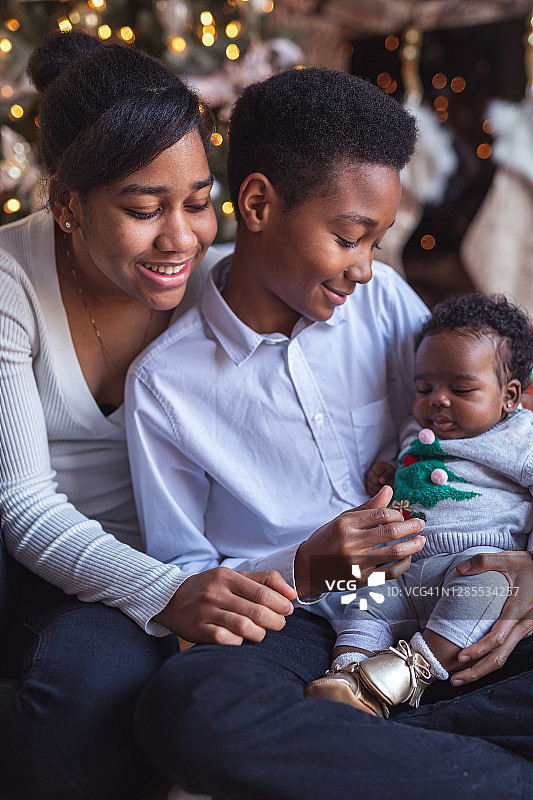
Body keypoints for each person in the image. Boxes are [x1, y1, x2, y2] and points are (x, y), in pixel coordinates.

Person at [127, 68, 533, 799]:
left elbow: (493, 422)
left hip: (448, 587)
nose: (368, 269)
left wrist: (526, 570)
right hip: (304, 621)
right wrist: (305, 565)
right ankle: (461, 765)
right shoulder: (166, 385)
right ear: (257, 203)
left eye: (376, 243)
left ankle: (368, 737)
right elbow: (187, 579)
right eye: (350, 238)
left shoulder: (378, 309)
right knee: (189, 707)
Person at [0, 31, 298, 800]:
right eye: (142, 209)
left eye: (199, 202)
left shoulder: (219, 281)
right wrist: (166, 593)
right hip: (53, 568)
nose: (182, 238)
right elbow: (25, 504)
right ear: (67, 204)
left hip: (201, 561)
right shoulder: (10, 284)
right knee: (88, 687)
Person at [306, 292, 533, 716]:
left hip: (471, 560)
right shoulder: (416, 427)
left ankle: (409, 673)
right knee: (364, 600)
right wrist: (388, 471)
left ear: (509, 396)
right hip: (402, 565)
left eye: (461, 389)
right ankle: (348, 676)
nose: (437, 400)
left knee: (486, 587)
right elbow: (413, 467)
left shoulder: (520, 437)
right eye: (424, 387)